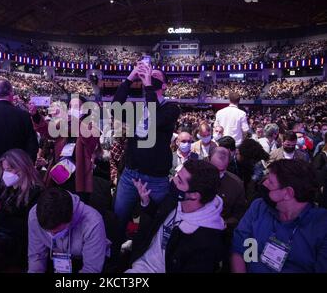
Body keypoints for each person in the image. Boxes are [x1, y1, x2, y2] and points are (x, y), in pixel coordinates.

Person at [112, 61, 180, 238]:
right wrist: (130, 78)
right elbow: (115, 108)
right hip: (130, 176)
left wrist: (148, 84)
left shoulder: (172, 108)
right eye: (149, 74)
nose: (150, 76)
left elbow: (156, 117)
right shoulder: (137, 108)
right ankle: (114, 261)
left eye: (156, 75)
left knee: (152, 226)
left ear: (164, 85)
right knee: (118, 221)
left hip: (156, 180)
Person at [126, 160, 225, 273]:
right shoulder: (177, 200)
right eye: (177, 175)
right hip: (140, 261)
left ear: (194, 195)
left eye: (180, 181)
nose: (173, 180)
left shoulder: (205, 241)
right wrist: (146, 202)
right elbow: (158, 217)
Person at [231, 159, 327, 273]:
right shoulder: (259, 207)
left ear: (288, 193)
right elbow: (238, 248)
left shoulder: (321, 226)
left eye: (270, 182)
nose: (264, 183)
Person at [29, 96, 100, 202]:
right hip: (60, 170)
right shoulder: (64, 124)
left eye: (76, 106)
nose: (72, 109)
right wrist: (35, 115)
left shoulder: (92, 127)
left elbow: (89, 141)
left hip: (78, 177)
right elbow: (47, 131)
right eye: (71, 106)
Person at [28, 187, 108, 273]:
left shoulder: (93, 222)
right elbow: (37, 256)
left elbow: (91, 269)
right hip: (55, 259)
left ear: (71, 218)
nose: (53, 235)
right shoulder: (34, 216)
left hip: (85, 260)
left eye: (58, 232)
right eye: (48, 231)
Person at [209, 146, 246, 232]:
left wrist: (224, 223)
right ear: (209, 159)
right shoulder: (196, 174)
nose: (216, 174)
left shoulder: (236, 184)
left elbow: (239, 214)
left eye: (221, 170)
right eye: (214, 169)